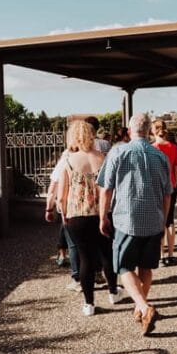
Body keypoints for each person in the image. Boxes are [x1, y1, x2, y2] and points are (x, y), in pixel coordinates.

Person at [99, 113, 172, 335]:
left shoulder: (118, 152)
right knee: (146, 266)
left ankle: (142, 306)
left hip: (126, 219)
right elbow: (167, 193)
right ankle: (141, 310)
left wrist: (102, 216)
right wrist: (163, 219)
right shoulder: (160, 156)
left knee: (123, 266)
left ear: (130, 131)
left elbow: (106, 188)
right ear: (149, 130)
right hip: (154, 218)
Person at [58, 120, 121, 316]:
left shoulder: (68, 160)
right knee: (106, 254)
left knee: (85, 259)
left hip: (77, 215)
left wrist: (62, 213)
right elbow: (112, 188)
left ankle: (89, 304)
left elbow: (62, 195)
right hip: (103, 213)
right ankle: (113, 292)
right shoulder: (103, 158)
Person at [45, 146, 81, 292]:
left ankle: (77, 278)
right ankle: (95, 273)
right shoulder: (91, 158)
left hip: (69, 208)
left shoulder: (64, 163)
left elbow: (52, 189)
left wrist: (49, 208)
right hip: (88, 208)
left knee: (73, 245)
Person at [152, 119, 177, 266]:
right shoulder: (174, 147)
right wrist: (174, 183)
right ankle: (171, 254)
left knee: (159, 222)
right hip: (170, 187)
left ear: (153, 130)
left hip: (156, 188)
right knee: (170, 221)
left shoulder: (153, 148)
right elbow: (176, 169)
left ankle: (160, 255)